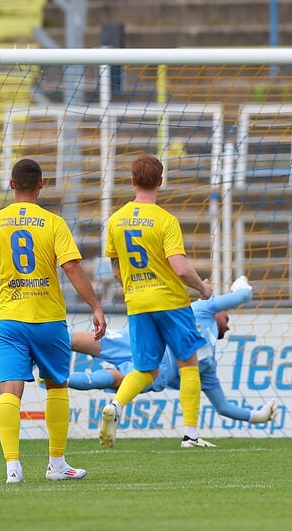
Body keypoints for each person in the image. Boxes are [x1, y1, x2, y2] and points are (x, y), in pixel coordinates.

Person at [0, 158, 106, 484]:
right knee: (56, 387)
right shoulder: (54, 223)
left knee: (9, 388)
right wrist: (95, 306)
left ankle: (12, 468)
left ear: (10, 184)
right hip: (48, 319)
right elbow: (73, 268)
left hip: (9, 320)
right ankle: (57, 464)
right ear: (41, 184)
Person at [100, 153, 213, 448]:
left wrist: (136, 287)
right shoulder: (166, 220)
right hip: (171, 302)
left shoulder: (115, 221)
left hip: (137, 303)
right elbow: (179, 267)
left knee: (146, 369)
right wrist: (203, 288)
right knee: (188, 363)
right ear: (161, 181)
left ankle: (116, 406)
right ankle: (190, 435)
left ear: (132, 181)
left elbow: (116, 269)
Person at [67, 276, 279, 428]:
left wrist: (259, 416)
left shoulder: (207, 365)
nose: (228, 325)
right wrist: (240, 283)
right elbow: (244, 296)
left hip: (146, 344)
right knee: (87, 348)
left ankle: (54, 377)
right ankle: (47, 363)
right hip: (154, 355)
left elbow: (223, 407)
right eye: (228, 319)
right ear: (219, 312)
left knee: (107, 373)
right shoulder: (204, 308)